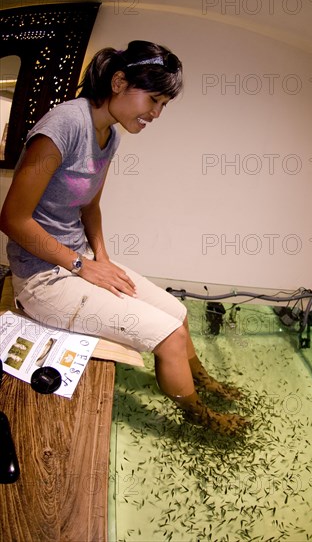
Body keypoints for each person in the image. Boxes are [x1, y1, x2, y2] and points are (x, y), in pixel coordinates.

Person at [0, 40, 248, 434]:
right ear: (118, 82)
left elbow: (90, 208)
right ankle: (202, 420)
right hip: (41, 278)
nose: (157, 113)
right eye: (154, 99)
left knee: (179, 317)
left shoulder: (110, 136)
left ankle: (204, 383)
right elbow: (12, 219)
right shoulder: (64, 124)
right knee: (167, 338)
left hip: (79, 261)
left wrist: (102, 258)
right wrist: (82, 265)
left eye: (163, 104)